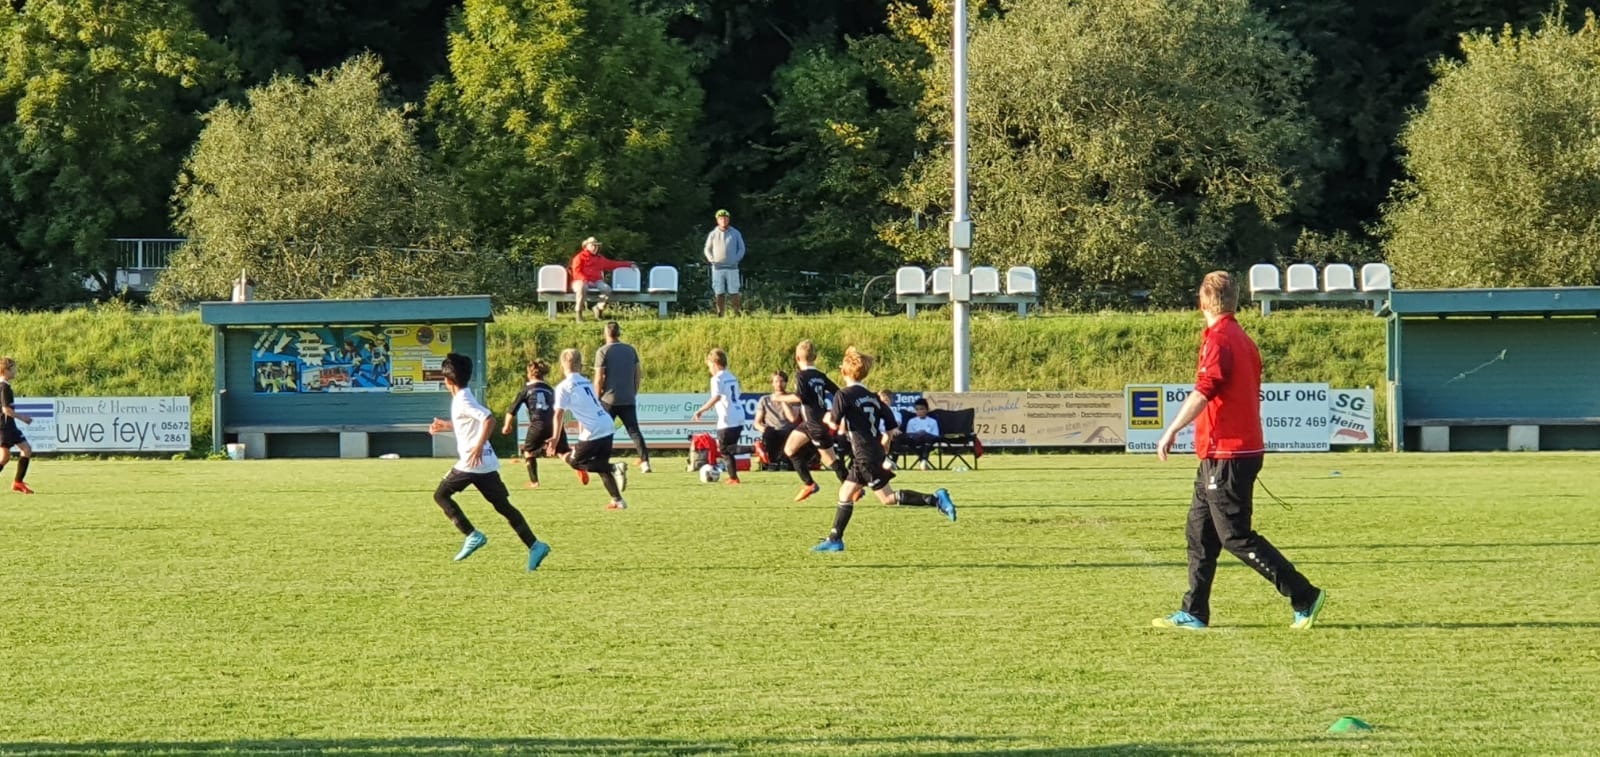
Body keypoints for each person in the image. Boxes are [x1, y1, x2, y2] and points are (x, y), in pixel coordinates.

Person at [1153, 271, 1327, 631]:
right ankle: (1194, 611)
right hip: (1220, 454)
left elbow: (1205, 389)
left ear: (1202, 301)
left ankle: (1304, 595)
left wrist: (1172, 429)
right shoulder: (1242, 339)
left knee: (1235, 536)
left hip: (1228, 454)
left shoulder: (1220, 340)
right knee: (1200, 533)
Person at [812, 347, 955, 553]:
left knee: (873, 496)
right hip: (870, 452)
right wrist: (884, 444)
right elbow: (891, 427)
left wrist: (826, 417)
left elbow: (833, 424)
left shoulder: (843, 395)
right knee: (859, 494)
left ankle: (936, 499)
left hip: (864, 454)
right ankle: (835, 539)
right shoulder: (873, 396)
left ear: (843, 372)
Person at [427, 352, 551, 571]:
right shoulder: (465, 396)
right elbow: (471, 422)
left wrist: (477, 446)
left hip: (471, 462)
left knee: (441, 495)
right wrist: (446, 426)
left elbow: (488, 418)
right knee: (504, 507)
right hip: (486, 462)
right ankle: (535, 545)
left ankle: (472, 535)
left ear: (447, 380)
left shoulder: (462, 399)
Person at [548, 348, 630, 510]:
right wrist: (581, 434)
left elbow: (558, 414)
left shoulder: (564, 387)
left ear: (562, 366)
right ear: (580, 365)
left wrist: (555, 438)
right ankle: (618, 501)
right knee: (600, 464)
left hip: (594, 428)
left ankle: (615, 467)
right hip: (606, 423)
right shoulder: (586, 382)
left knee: (575, 462)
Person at [774, 340, 848, 501]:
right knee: (790, 449)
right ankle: (809, 484)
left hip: (814, 425)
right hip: (811, 423)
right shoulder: (820, 376)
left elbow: (799, 397)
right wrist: (835, 412)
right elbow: (838, 393)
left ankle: (851, 486)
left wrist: (780, 398)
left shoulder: (801, 375)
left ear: (797, 358)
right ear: (815, 357)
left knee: (829, 460)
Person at [500, 359, 576, 488]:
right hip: (555, 424)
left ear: (529, 374)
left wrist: (507, 425)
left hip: (538, 424)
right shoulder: (551, 390)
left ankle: (534, 482)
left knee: (528, 452)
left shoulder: (526, 389)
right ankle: (578, 465)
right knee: (563, 452)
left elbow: (512, 409)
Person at [594, 321, 652, 473]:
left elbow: (599, 378)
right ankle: (645, 462)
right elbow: (637, 373)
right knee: (634, 431)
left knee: (605, 431)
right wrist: (633, 391)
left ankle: (602, 460)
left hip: (608, 398)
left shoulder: (603, 351)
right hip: (627, 397)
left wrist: (596, 397)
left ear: (606, 333)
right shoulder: (630, 350)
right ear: (619, 333)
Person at [691, 348, 745, 485]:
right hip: (739, 414)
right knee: (729, 449)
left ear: (715, 363)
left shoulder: (717, 379)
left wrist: (701, 410)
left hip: (727, 417)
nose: (709, 369)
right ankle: (733, 478)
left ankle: (755, 448)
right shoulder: (732, 376)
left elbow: (716, 397)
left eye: (709, 366)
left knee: (724, 449)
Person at [569, 237, 637, 322]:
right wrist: (585, 280)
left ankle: (598, 308)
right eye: (592, 245)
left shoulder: (600, 258)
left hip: (596, 281)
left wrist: (629, 264)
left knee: (607, 289)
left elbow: (612, 264)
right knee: (581, 287)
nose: (595, 247)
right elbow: (576, 272)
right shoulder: (579, 257)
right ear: (586, 246)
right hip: (580, 281)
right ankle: (578, 313)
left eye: (596, 245)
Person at [0, 357, 36, 494]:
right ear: (6, 370)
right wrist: (23, 418)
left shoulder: (5, 386)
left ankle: (18, 482)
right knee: (4, 457)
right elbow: (6, 410)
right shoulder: (4, 387)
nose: (16, 371)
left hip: (10, 425)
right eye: (14, 368)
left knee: (26, 449)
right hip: (3, 426)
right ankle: (18, 482)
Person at [754, 370, 802, 470]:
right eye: (776, 381)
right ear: (772, 383)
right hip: (772, 431)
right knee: (769, 433)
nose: (779, 384)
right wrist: (764, 429)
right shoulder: (765, 400)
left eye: (782, 381)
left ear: (786, 382)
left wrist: (783, 399)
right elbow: (757, 423)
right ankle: (772, 462)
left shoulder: (793, 398)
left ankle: (785, 461)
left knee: (790, 432)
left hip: (788, 430)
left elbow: (793, 418)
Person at [703, 209, 745, 316]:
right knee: (719, 291)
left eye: (725, 219)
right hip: (717, 268)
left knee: (734, 291)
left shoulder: (736, 233)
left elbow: (741, 248)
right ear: (717, 220)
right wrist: (712, 260)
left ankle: (737, 313)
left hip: (732, 267)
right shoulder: (713, 234)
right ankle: (720, 313)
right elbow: (707, 249)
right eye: (721, 219)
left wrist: (736, 259)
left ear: (728, 220)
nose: (723, 221)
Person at [902, 398, 941, 470]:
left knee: (926, 438)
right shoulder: (911, 421)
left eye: (922, 409)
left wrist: (925, 434)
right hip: (915, 441)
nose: (919, 411)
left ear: (927, 410)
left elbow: (936, 435)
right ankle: (923, 460)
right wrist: (918, 434)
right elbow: (909, 434)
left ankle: (923, 461)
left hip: (928, 441)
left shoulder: (933, 421)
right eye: (917, 409)